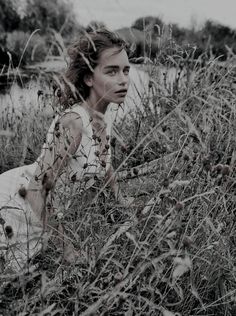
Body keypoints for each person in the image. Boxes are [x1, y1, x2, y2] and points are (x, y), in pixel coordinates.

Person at [0, 28, 131, 273]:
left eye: (126, 70)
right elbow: (35, 190)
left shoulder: (105, 114)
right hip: (16, 206)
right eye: (112, 71)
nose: (123, 79)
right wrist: (67, 249)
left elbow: (104, 161)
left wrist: (121, 199)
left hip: (44, 212)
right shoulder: (74, 122)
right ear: (89, 78)